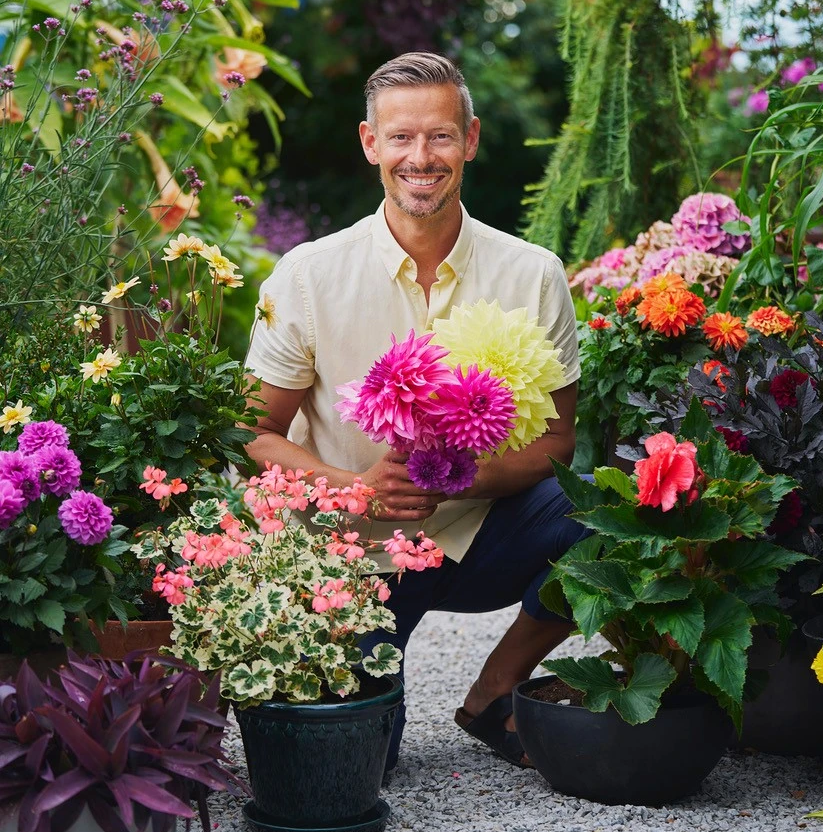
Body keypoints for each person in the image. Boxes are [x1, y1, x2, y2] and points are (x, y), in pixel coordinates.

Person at [245, 52, 586, 770]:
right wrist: (360, 487)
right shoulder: (308, 276)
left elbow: (557, 442)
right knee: (361, 761)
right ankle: (374, 688)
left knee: (599, 516)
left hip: (478, 535)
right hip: (356, 551)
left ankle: (494, 694)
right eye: (400, 138)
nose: (420, 157)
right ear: (371, 143)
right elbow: (253, 434)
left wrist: (462, 478)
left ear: (470, 139)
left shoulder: (533, 273)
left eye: (439, 136)